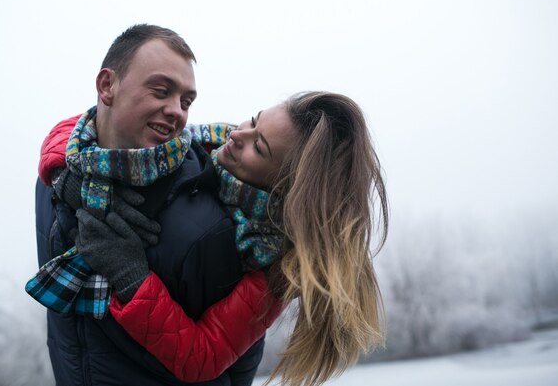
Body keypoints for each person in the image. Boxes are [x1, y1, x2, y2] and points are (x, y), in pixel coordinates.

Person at [35, 91, 389, 386]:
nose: (237, 134)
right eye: (253, 120)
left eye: (259, 147)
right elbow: (80, 124)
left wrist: (130, 276)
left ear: (286, 190)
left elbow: (202, 356)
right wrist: (71, 176)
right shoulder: (198, 146)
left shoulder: (270, 264)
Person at [33, 24, 267, 386]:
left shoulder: (207, 220)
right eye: (161, 91)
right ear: (107, 86)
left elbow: (231, 367)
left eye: (186, 101)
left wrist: (131, 278)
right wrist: (70, 181)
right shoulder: (55, 180)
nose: (177, 111)